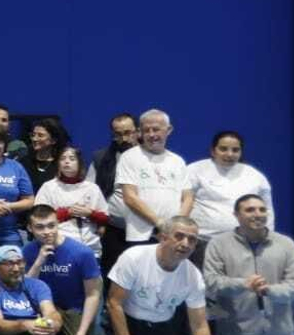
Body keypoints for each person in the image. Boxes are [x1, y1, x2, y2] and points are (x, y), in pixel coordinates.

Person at [106, 215, 230, 335]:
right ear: (163, 237)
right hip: (128, 324)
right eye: (179, 236)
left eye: (192, 240)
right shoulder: (134, 258)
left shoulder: (193, 276)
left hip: (162, 328)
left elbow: (199, 324)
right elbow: (113, 303)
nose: (185, 244)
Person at [203, 195, 294, 335]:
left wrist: (270, 290)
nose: (257, 214)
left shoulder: (285, 244)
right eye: (250, 210)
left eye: (262, 209)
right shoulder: (219, 244)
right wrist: (243, 284)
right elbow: (211, 282)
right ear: (236, 215)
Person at [22, 206, 104, 335]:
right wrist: (39, 262)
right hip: (44, 308)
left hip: (75, 310)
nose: (47, 232)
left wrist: (82, 331)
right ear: (29, 228)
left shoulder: (82, 252)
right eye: (40, 227)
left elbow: (93, 295)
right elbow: (25, 289)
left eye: (51, 225)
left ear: (58, 223)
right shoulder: (28, 251)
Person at [113, 109, 192, 247]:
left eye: (156, 129)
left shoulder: (178, 161)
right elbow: (130, 197)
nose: (151, 135)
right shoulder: (129, 157)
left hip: (174, 236)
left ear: (168, 130)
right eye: (146, 130)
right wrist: (160, 223)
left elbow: (188, 198)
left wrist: (177, 225)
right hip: (141, 236)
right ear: (139, 132)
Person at [187, 131, 275, 252]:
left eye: (235, 150)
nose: (229, 154)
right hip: (202, 242)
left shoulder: (255, 177)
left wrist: (267, 240)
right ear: (213, 151)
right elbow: (181, 203)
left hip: (243, 244)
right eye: (223, 149)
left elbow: (267, 210)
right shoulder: (194, 170)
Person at [88, 112, 140, 275]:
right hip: (112, 230)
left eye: (128, 133)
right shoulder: (101, 158)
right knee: (112, 275)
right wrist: (99, 222)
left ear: (137, 132)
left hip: (145, 229)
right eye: (118, 134)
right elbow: (90, 192)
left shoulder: (150, 157)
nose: (124, 139)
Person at [33, 146, 109, 257]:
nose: (67, 162)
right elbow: (39, 217)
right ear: (58, 164)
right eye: (63, 159)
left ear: (79, 163)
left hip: (90, 247)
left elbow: (105, 218)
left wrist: (90, 213)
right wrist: (68, 212)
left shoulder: (92, 188)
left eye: (72, 159)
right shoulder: (49, 187)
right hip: (59, 245)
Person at [18, 116, 68, 195]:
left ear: (53, 140)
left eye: (40, 135)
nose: (34, 139)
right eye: (33, 135)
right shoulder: (23, 162)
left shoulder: (60, 164)